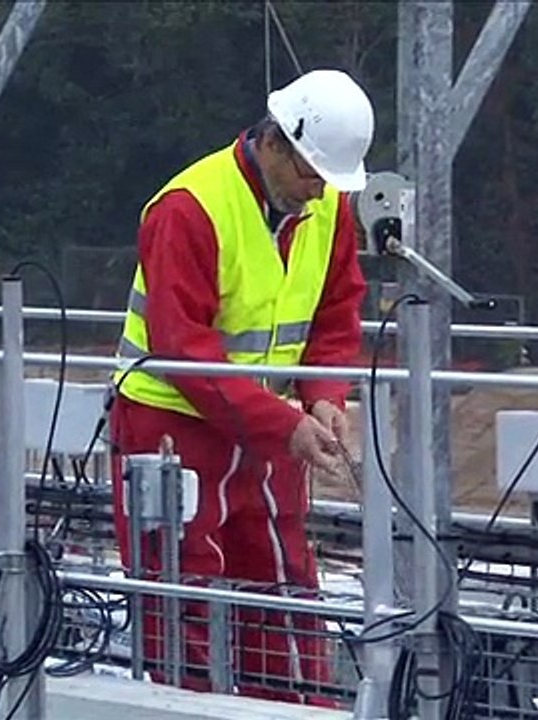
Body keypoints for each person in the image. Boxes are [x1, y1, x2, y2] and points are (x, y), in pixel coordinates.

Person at [108, 68, 373, 705]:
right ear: (274, 143)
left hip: (265, 425)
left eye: (327, 180)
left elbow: (337, 309)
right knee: (184, 595)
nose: (317, 192)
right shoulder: (189, 208)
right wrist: (287, 423)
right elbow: (183, 348)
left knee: (285, 586)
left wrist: (324, 395)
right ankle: (190, 709)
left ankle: (301, 709)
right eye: (311, 175)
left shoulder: (326, 207)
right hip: (170, 428)